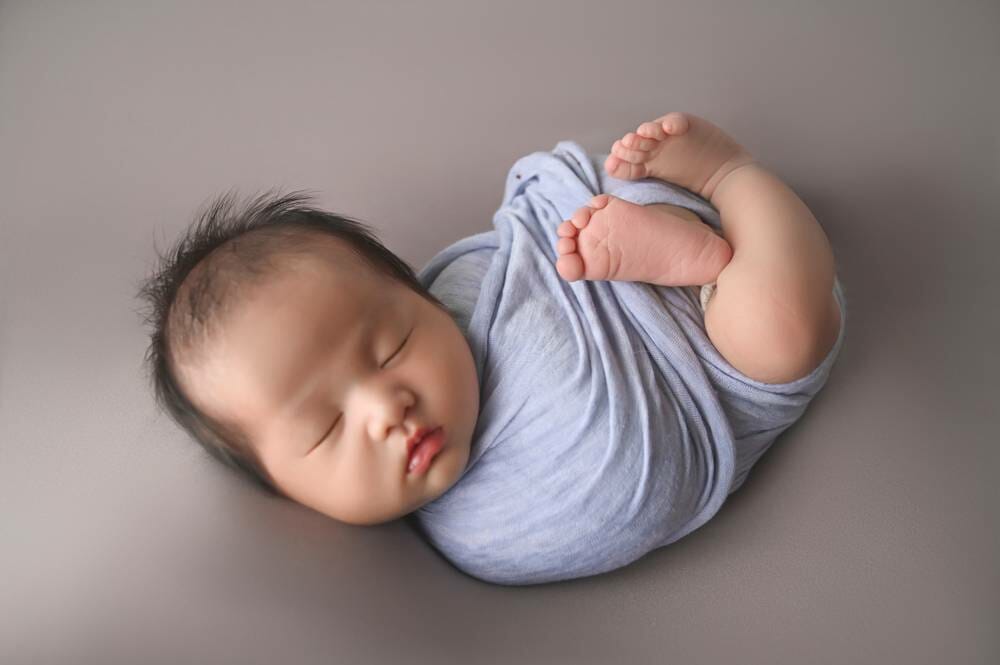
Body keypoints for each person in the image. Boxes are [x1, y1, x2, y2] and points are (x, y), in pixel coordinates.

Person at [136, 111, 846, 584]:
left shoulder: (467, 287)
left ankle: (727, 178)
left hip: (616, 261)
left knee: (772, 312)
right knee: (781, 328)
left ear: (418, 293)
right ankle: (711, 243)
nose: (388, 404)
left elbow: (532, 235)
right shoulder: (478, 531)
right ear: (284, 491)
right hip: (717, 370)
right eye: (326, 427)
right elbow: (647, 484)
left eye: (389, 346)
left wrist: (604, 235)